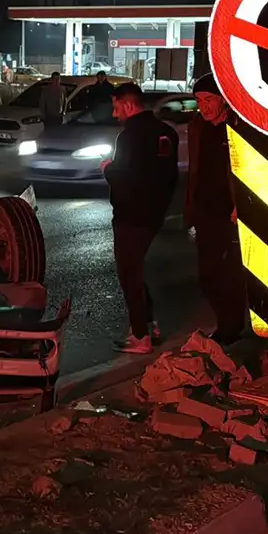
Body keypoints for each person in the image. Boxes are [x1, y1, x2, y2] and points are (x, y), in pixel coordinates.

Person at [103, 82, 180, 354]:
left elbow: (125, 177)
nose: (115, 114)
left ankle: (140, 336)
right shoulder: (167, 133)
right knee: (134, 269)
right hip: (154, 213)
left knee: (129, 274)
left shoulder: (129, 137)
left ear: (127, 105)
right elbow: (170, 176)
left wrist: (108, 169)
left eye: (116, 107)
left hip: (131, 215)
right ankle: (149, 324)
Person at [185, 75, 247, 344]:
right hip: (205, 211)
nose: (203, 106)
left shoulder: (237, 126)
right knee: (207, 275)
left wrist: (240, 204)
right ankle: (226, 321)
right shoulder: (197, 126)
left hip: (231, 213)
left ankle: (232, 327)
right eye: (199, 101)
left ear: (223, 99)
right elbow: (195, 170)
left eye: (209, 99)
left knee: (232, 273)